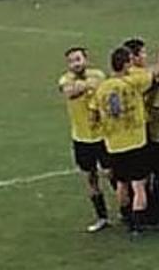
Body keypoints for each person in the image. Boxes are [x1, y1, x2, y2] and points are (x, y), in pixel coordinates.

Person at [91, 47, 155, 236]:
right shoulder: (134, 82)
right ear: (127, 63)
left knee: (121, 183)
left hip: (114, 143)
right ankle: (137, 224)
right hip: (135, 141)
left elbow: (93, 114)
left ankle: (125, 216)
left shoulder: (102, 87)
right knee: (138, 184)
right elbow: (154, 74)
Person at [57, 47, 111, 233]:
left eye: (78, 59)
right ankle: (102, 217)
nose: (75, 64)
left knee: (112, 173)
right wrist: (87, 85)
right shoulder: (66, 79)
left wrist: (83, 85)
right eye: (71, 61)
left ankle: (126, 211)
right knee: (90, 178)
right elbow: (69, 92)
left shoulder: (98, 74)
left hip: (102, 135)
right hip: (81, 138)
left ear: (86, 59)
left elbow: (96, 86)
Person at [123, 38, 159, 228]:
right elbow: (156, 72)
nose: (145, 56)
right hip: (149, 131)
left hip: (136, 133)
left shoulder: (128, 75)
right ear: (133, 57)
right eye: (142, 53)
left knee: (138, 177)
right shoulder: (139, 75)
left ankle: (140, 214)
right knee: (157, 176)